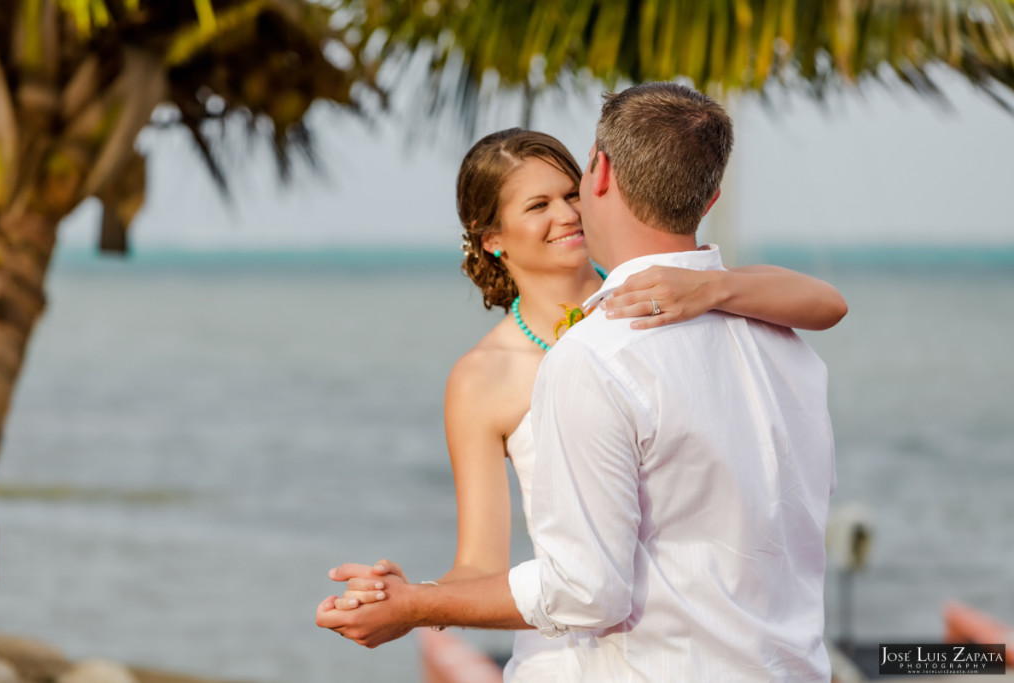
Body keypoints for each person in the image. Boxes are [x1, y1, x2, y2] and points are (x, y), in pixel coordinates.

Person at [318, 85, 840, 682]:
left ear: (598, 186)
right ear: (492, 237)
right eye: (537, 206)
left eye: (570, 194)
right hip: (586, 652)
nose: (565, 215)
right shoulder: (484, 376)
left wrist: (710, 287)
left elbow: (826, 302)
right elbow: (480, 563)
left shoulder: (676, 295)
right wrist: (410, 598)